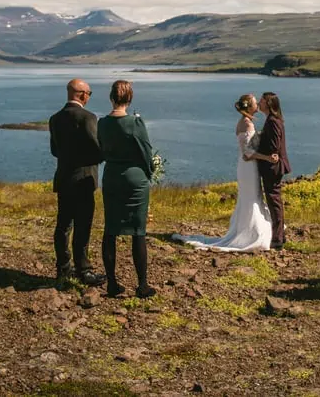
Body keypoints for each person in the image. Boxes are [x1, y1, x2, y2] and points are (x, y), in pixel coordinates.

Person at [173, 94, 272, 252]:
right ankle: (253, 234)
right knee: (252, 198)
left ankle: (248, 230)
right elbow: (248, 153)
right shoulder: (248, 124)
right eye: (255, 103)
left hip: (244, 166)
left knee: (250, 198)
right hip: (249, 166)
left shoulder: (243, 122)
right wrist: (267, 157)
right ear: (250, 107)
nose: (258, 105)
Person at [97, 80, 157, 298]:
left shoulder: (102, 123)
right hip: (135, 179)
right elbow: (146, 152)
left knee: (110, 228)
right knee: (138, 230)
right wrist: (150, 171)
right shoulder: (135, 123)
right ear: (130, 98)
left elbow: (101, 150)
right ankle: (142, 285)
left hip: (111, 176)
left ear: (111, 97)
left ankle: (112, 283)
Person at [48, 78, 105, 287]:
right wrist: (98, 158)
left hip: (64, 177)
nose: (89, 97)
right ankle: (84, 270)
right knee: (82, 225)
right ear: (82, 95)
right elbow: (96, 148)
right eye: (89, 93)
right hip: (83, 179)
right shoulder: (88, 117)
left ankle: (63, 267)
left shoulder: (54, 118)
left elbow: (54, 149)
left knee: (63, 224)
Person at [253, 92, 291, 249]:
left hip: (273, 167)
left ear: (268, 103)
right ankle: (279, 235)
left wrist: (262, 153)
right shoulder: (273, 120)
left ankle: (277, 238)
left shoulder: (273, 121)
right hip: (272, 166)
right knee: (274, 201)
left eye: (261, 101)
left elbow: (274, 145)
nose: (259, 104)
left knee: (274, 201)